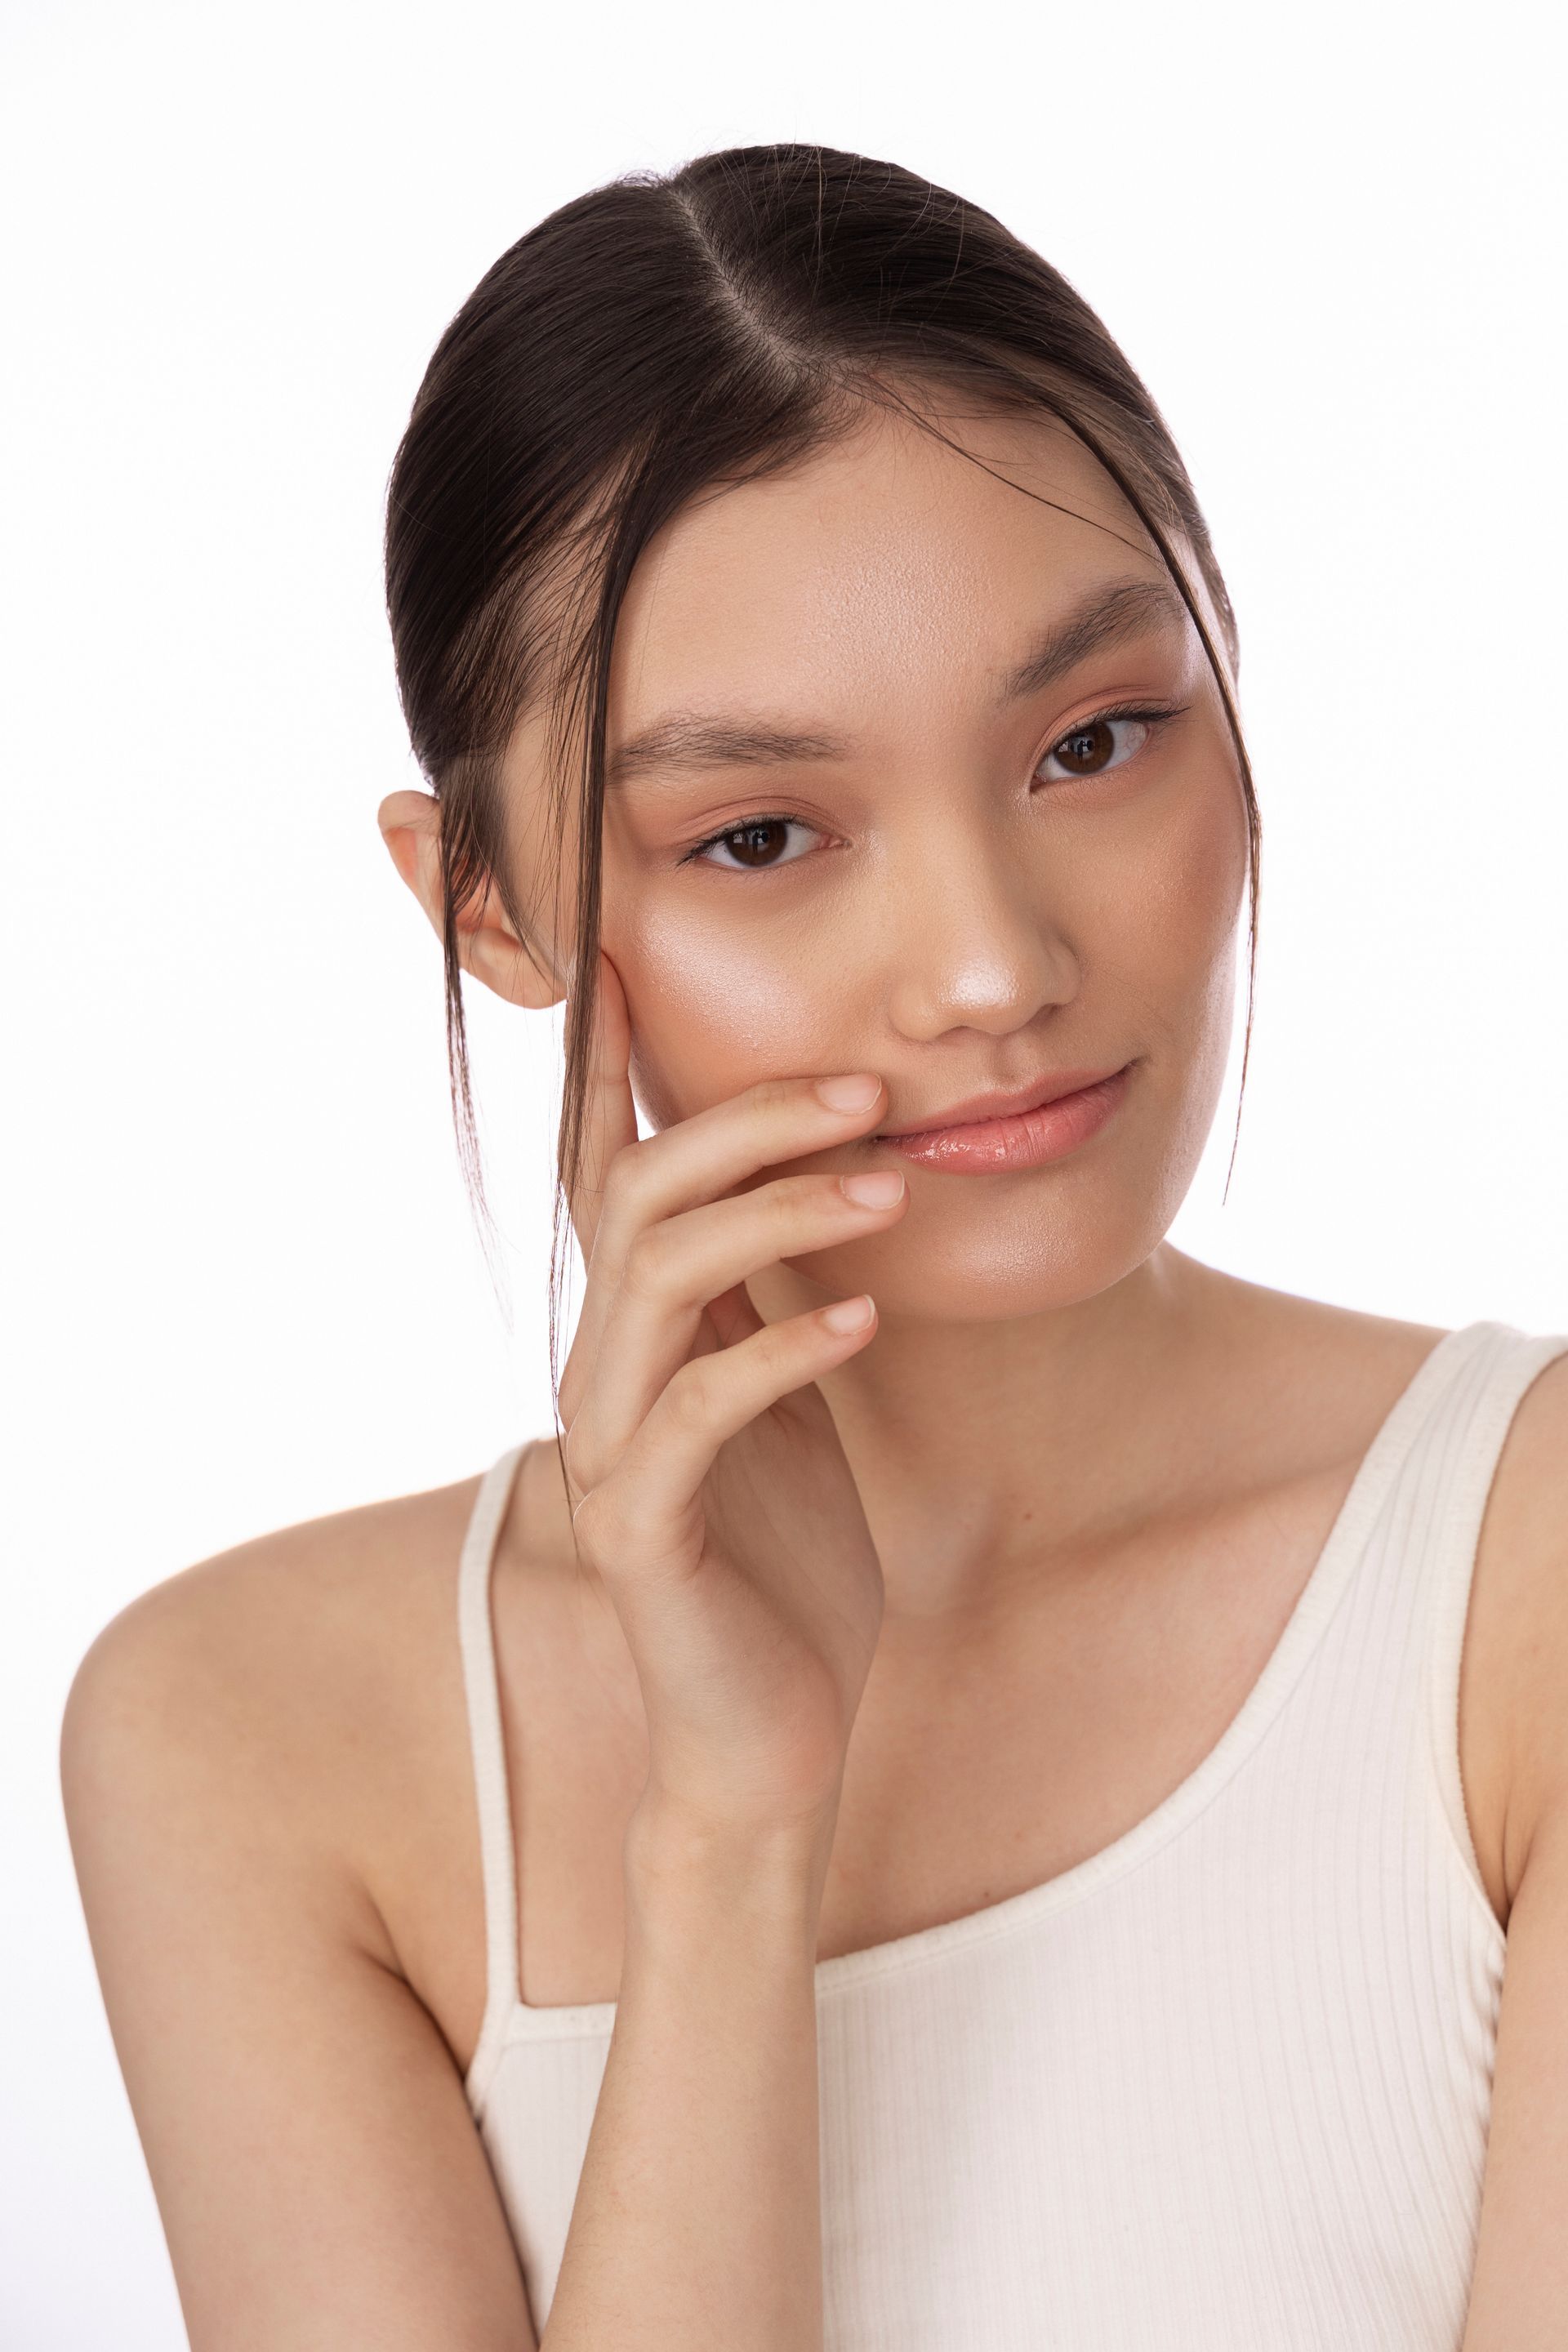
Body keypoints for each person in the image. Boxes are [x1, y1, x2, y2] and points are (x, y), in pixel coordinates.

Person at [60, 143, 1568, 2351]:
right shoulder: (249, 1745)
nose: (985, 966)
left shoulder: (1522, 1588)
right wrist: (734, 1836)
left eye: (1095, 741)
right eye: (761, 835)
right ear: (492, 905)